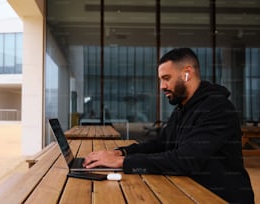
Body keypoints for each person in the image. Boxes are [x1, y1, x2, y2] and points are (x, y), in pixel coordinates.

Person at [83, 48, 254, 204]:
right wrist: (121, 152)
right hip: (189, 191)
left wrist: (123, 162)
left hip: (220, 198)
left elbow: (185, 160)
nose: (162, 87)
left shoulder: (217, 108)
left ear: (187, 73)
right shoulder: (183, 108)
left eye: (166, 79)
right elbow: (160, 144)